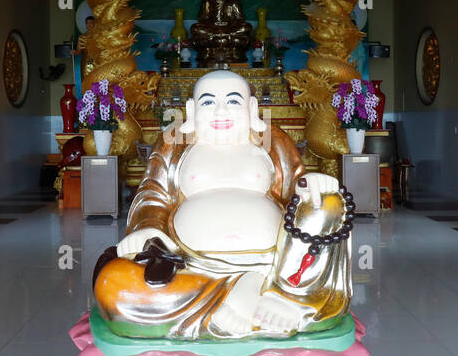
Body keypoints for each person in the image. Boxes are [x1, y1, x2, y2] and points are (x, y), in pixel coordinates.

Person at [93, 70, 352, 340]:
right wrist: (147, 229)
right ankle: (251, 293)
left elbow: (297, 195)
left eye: (232, 101)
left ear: (252, 108)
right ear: (191, 111)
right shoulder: (176, 141)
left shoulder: (271, 139)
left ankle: (281, 292)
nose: (220, 111)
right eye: (207, 102)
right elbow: (153, 193)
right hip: (193, 267)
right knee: (113, 285)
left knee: (330, 204)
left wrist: (312, 183)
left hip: (276, 264)